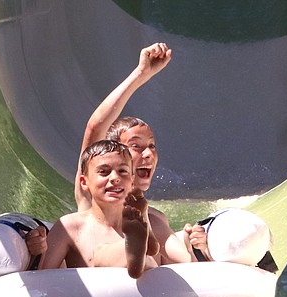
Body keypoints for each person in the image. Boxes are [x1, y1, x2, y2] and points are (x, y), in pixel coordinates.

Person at [74, 43, 209, 266]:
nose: (149, 154)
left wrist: (197, 249)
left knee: (153, 231)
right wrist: (141, 74)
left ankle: (140, 250)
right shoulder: (92, 198)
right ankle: (134, 249)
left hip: (142, 294)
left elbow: (187, 266)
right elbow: (95, 127)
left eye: (152, 146)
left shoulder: (154, 219)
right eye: (136, 146)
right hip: (98, 290)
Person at [43, 140, 153, 278]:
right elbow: (43, 275)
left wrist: (188, 242)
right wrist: (36, 248)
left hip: (136, 290)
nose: (115, 178)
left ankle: (139, 255)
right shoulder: (71, 227)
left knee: (149, 261)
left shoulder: (136, 224)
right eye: (104, 172)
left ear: (132, 182)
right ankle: (136, 252)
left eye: (122, 171)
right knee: (101, 255)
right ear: (84, 182)